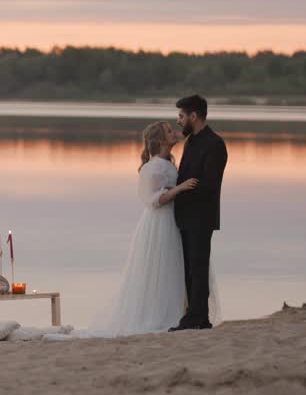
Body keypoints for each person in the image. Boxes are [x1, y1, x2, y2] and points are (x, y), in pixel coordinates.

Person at [91, 121, 199, 335]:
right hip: (159, 223)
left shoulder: (168, 163)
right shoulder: (154, 167)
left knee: (172, 267)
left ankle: (178, 311)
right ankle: (160, 314)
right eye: (169, 131)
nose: (174, 132)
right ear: (160, 140)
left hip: (171, 220)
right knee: (161, 266)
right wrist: (180, 188)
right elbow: (154, 199)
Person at [171, 94, 227, 331]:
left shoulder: (215, 144)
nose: (178, 121)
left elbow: (209, 185)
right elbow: (185, 177)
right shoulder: (191, 141)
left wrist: (180, 192)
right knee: (189, 269)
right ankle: (196, 318)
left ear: (194, 116)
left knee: (198, 267)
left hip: (201, 216)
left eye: (181, 116)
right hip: (184, 216)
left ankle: (196, 319)